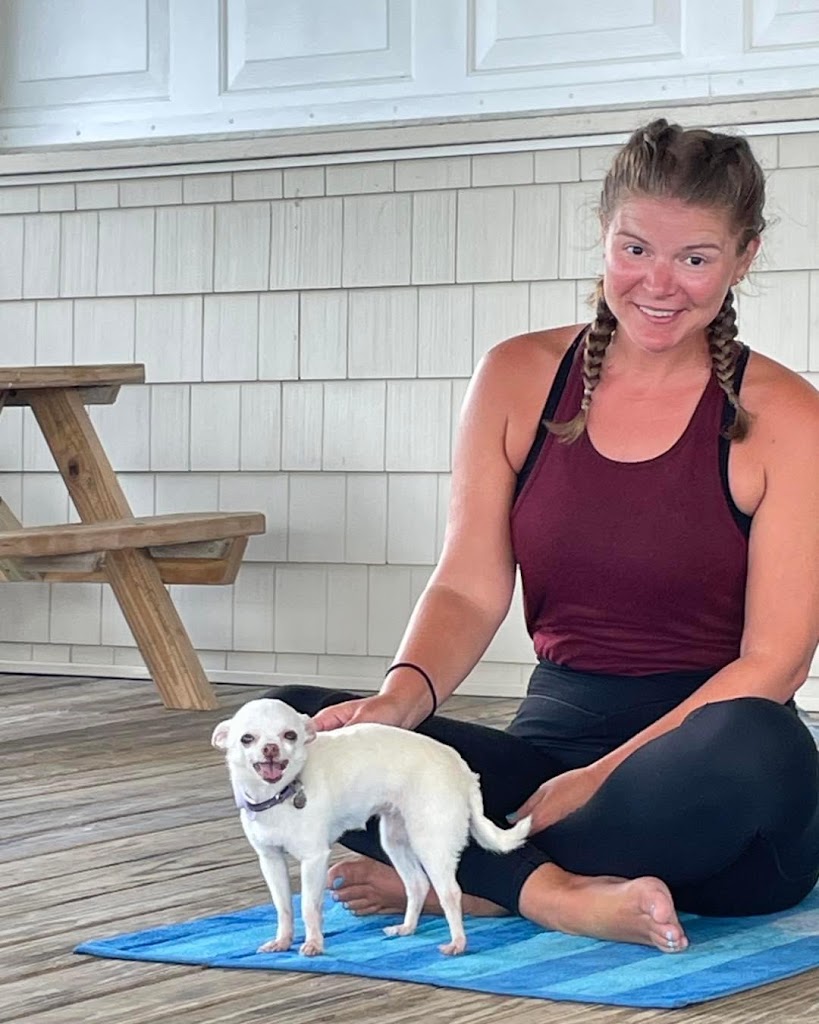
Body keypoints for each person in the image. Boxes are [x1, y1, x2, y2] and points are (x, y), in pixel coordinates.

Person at [266, 118, 819, 953]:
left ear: (744, 257)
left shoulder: (786, 416)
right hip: (546, 754)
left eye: (694, 259)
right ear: (603, 233)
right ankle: (553, 893)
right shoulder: (516, 377)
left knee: (757, 737)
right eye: (634, 249)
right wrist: (396, 704)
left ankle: (486, 881)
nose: (658, 284)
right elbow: (466, 586)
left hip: (704, 779)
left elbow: (772, 663)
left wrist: (596, 781)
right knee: (296, 728)